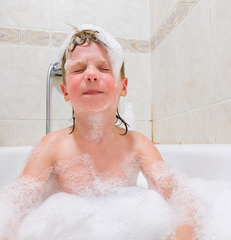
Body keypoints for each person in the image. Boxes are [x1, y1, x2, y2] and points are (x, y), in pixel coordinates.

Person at [12, 24, 196, 239]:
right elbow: (14, 210)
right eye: (79, 69)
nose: (91, 75)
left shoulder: (138, 145)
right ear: (65, 91)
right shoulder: (51, 146)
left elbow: (181, 200)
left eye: (104, 69)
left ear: (123, 86)